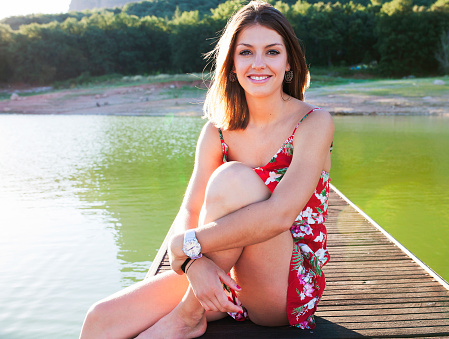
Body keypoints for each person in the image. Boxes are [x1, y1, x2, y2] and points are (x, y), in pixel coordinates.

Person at [80, 1, 334, 338]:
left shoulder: (313, 122)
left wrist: (186, 245)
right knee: (101, 319)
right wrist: (193, 263)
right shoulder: (217, 130)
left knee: (234, 180)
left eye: (272, 52)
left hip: (284, 287)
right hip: (220, 274)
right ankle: (195, 301)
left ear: (289, 64)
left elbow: (279, 215)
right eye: (246, 53)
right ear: (231, 64)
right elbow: (191, 207)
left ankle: (188, 316)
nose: (258, 64)